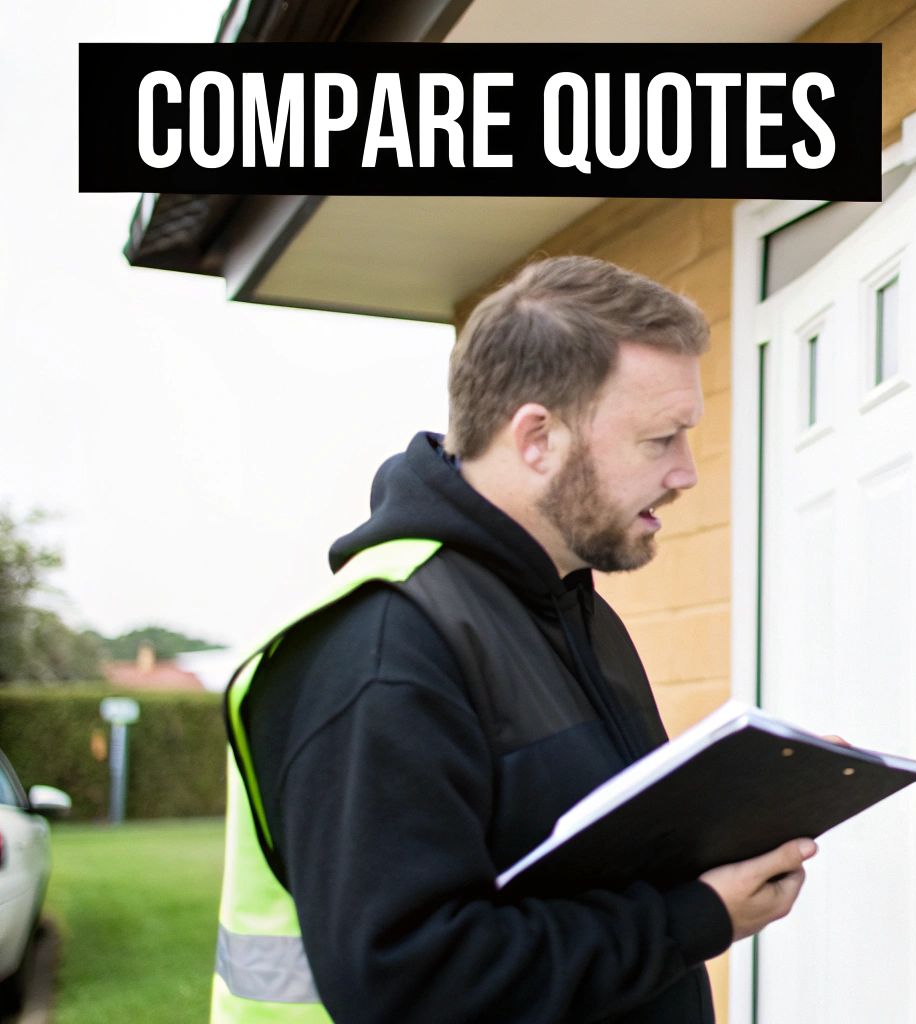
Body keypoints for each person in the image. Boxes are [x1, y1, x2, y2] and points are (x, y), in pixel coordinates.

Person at [212, 256, 816, 1024]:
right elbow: (413, 983)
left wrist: (750, 806)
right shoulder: (383, 652)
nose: (687, 473)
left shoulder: (569, 604)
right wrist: (694, 919)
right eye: (661, 439)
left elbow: (577, 861)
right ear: (537, 438)